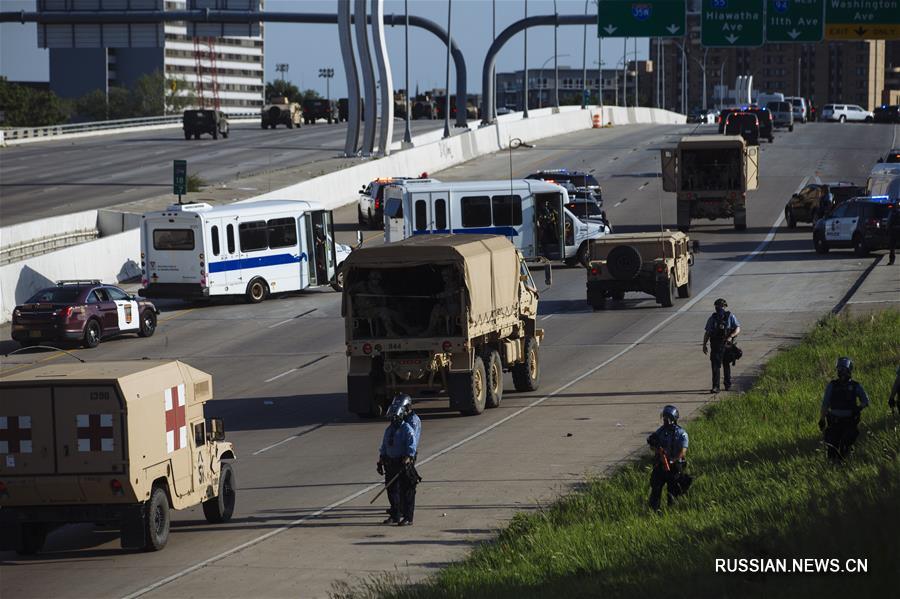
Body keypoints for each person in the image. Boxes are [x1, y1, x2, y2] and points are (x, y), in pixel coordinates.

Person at [377, 395, 420, 525]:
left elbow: (411, 446)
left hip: (402, 464)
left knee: (406, 491)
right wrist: (381, 460)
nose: (393, 420)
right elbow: (384, 446)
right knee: (392, 490)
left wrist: (407, 459)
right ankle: (395, 514)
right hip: (390, 463)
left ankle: (408, 517)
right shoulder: (389, 430)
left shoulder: (407, 429)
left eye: (395, 417)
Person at [819, 357, 870, 462]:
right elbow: (825, 404)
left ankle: (843, 465)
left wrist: (858, 408)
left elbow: (865, 401)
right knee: (832, 449)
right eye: (840, 370)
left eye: (844, 370)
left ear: (849, 371)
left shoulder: (855, 386)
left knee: (845, 447)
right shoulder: (832, 386)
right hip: (834, 422)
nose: (842, 373)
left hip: (849, 422)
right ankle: (834, 468)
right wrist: (822, 419)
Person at [647, 405, 690, 512]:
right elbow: (653, 447)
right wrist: (653, 444)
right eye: (664, 418)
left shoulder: (681, 433)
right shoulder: (661, 431)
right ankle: (654, 511)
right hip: (660, 465)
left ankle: (672, 511)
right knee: (655, 488)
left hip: (675, 467)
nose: (665, 421)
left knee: (673, 491)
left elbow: (683, 451)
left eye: (667, 418)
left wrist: (673, 460)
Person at [703, 298, 741, 393]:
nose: (719, 308)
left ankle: (727, 384)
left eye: (721, 306)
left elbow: (738, 328)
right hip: (716, 345)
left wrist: (731, 336)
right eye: (717, 306)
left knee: (726, 365)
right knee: (715, 367)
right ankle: (716, 387)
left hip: (727, 345)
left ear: (724, 306)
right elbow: (708, 332)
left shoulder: (730, 316)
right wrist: (704, 344)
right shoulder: (713, 318)